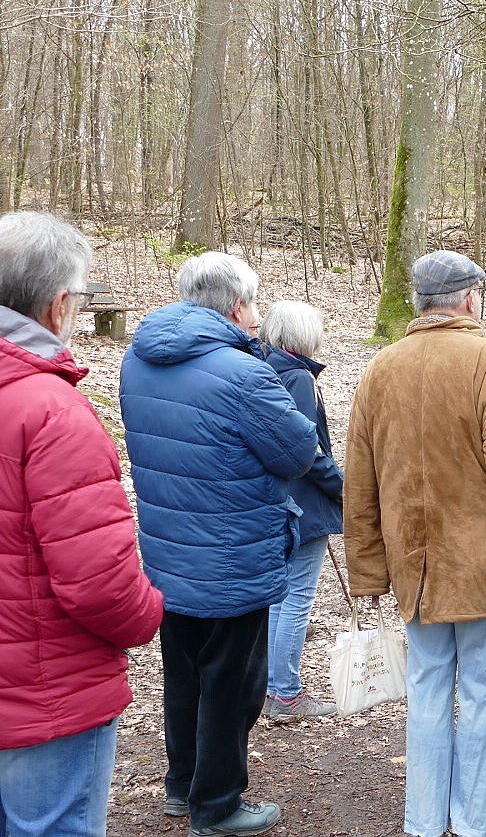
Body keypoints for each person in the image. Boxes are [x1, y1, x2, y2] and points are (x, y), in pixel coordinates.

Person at [345, 251, 486, 837]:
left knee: (427, 692)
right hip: (485, 570)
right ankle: (476, 823)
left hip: (415, 567)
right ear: (468, 299)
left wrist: (369, 570)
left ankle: (425, 823)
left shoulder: (381, 368)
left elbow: (359, 480)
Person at [121, 251, 318, 837]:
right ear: (236, 306)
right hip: (232, 557)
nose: (258, 314)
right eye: (253, 303)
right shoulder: (243, 374)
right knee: (232, 686)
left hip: (167, 551)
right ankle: (217, 804)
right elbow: (298, 452)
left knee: (183, 677)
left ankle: (181, 786)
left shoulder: (138, 360)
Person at [0, 211, 164, 837]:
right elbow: (99, 584)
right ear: (59, 303)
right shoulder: (51, 410)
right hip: (48, 695)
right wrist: (148, 613)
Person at [259, 301, 343, 721]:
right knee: (295, 600)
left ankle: (273, 686)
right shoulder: (298, 379)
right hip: (302, 505)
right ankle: (285, 691)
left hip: (277, 501)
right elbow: (308, 450)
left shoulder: (265, 371)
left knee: (280, 598)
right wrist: (345, 490)